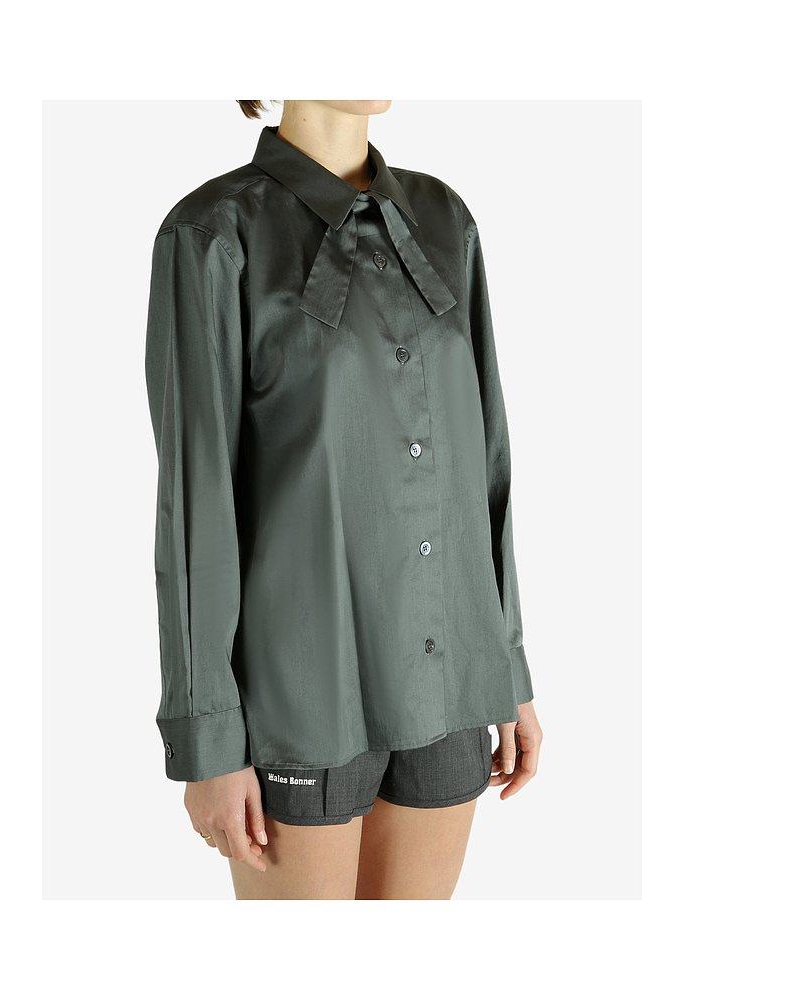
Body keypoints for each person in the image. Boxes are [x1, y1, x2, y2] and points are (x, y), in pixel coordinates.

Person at [145, 100, 543, 899]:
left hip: (448, 683)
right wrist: (209, 742)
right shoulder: (213, 232)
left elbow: (486, 463)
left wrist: (506, 666)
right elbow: (196, 502)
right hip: (301, 694)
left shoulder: (444, 219)